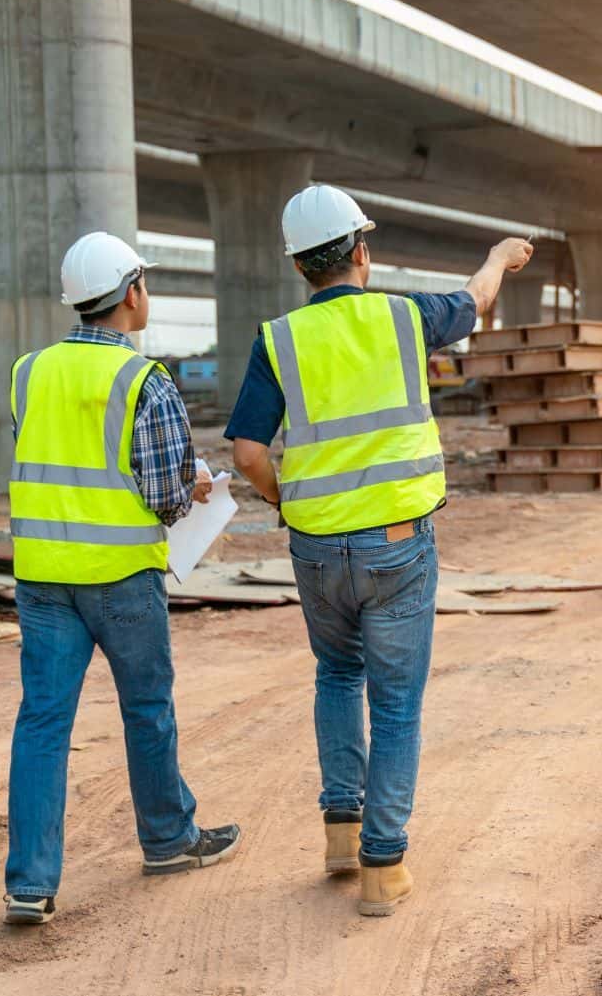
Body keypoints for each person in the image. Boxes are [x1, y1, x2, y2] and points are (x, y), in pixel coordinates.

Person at [225, 185, 532, 916]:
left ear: (302, 266)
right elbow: (477, 299)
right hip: (398, 545)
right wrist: (497, 257)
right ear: (361, 252)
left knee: (337, 676)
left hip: (316, 549)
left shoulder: (278, 339)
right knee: (395, 706)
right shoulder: (406, 317)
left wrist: (283, 498)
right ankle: (382, 867)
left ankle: (342, 832)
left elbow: (245, 452)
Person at [3, 232, 241, 927]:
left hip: (44, 576)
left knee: (42, 722)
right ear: (132, 292)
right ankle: (168, 838)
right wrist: (193, 488)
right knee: (147, 710)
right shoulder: (145, 380)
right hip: (121, 576)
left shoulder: (28, 371)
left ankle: (29, 882)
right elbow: (165, 495)